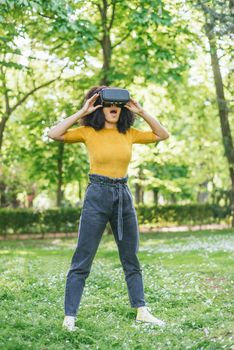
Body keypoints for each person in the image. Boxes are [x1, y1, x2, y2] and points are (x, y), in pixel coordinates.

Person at [48, 85, 170, 332]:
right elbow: (54, 133)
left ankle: (142, 311)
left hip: (123, 196)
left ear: (122, 108)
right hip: (97, 194)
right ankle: (69, 316)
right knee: (82, 258)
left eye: (117, 104)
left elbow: (162, 135)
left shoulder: (130, 133)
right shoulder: (87, 132)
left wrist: (142, 111)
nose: (112, 108)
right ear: (98, 107)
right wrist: (82, 110)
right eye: (106, 103)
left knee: (130, 257)